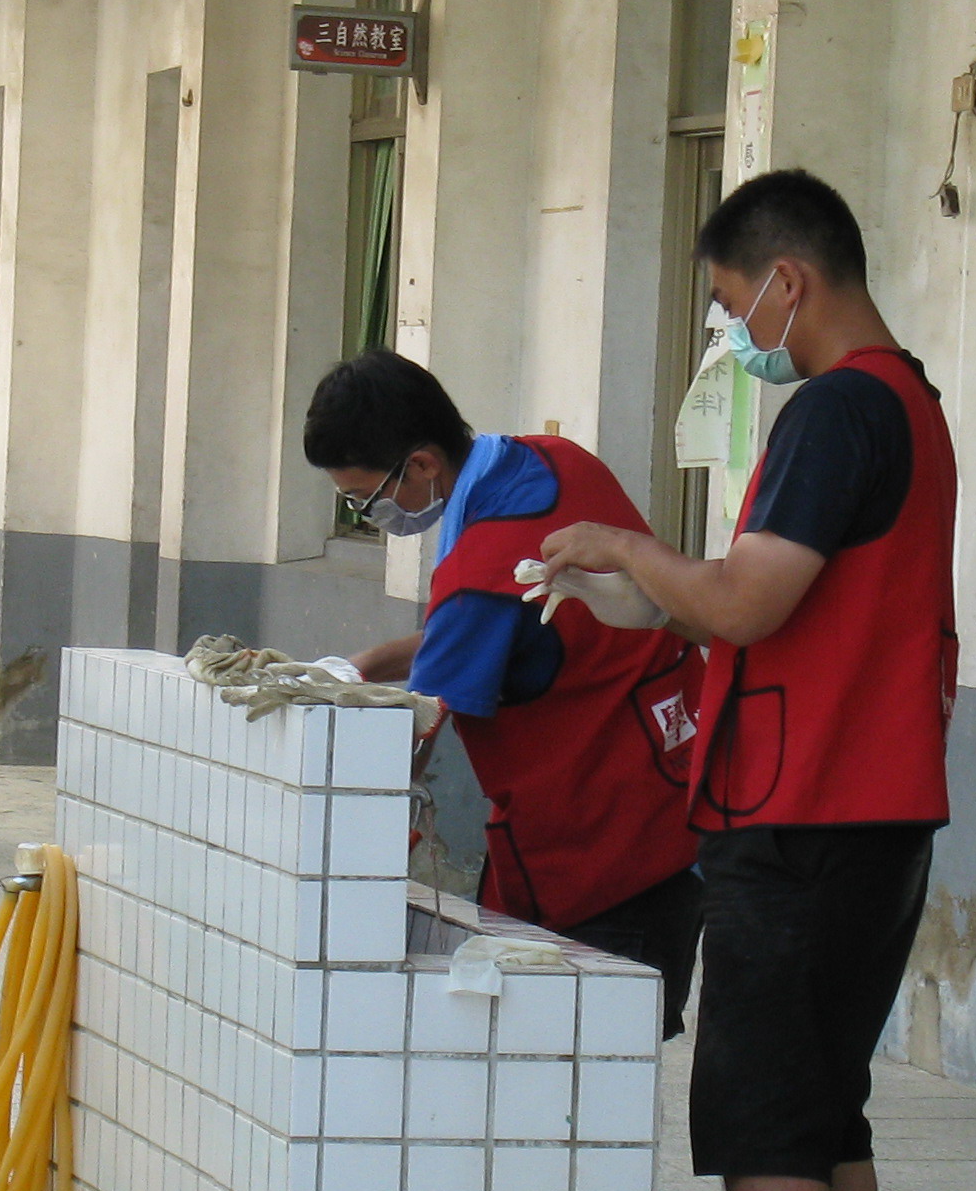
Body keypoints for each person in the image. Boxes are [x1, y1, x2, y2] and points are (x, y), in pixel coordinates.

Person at [533, 168, 957, 1191]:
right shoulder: (907, 402)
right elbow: (751, 612)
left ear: (792, 280)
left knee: (769, 1117)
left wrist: (622, 542)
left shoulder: (839, 409)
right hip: (868, 805)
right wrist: (633, 600)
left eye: (734, 307)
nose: (737, 336)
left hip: (809, 810)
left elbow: (749, 597)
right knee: (828, 1114)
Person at [302, 350, 705, 1031]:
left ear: (423, 465)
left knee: (581, 1069)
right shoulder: (556, 462)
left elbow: (411, 743)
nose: (370, 516)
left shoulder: (477, 576)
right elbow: (497, 634)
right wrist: (369, 663)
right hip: (676, 802)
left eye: (365, 499)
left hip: (594, 853)